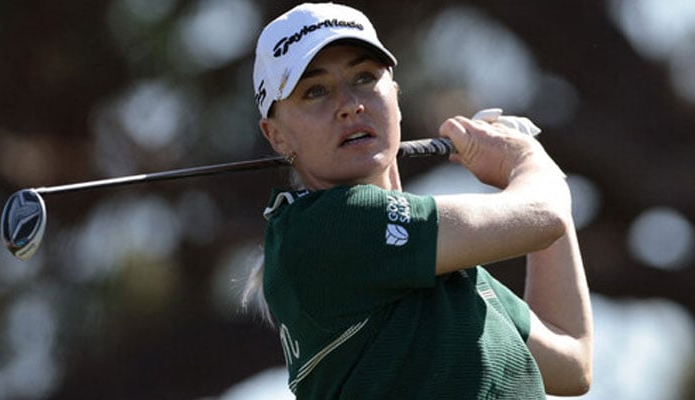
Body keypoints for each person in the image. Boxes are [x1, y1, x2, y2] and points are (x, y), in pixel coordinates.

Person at [243, 3, 593, 399]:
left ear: (395, 96)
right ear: (277, 136)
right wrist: (529, 163)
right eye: (315, 91)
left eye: (364, 77)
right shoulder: (326, 227)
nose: (349, 104)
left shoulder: (439, 261)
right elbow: (542, 216)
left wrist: (537, 172)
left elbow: (571, 362)